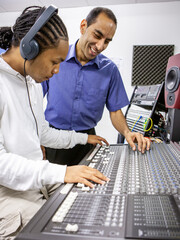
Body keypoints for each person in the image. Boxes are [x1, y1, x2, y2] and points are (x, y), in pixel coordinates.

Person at [0, 6, 110, 239]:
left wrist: (84, 137)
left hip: (34, 181)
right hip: (7, 192)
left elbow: (43, 133)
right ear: (30, 49)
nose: (58, 70)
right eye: (55, 61)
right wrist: (61, 173)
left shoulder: (31, 84)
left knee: (90, 201)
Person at [42, 7, 151, 166]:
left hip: (88, 142)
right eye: (97, 35)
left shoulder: (110, 70)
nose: (100, 46)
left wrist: (127, 132)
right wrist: (36, 137)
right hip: (54, 140)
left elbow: (115, 111)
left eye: (107, 41)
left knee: (86, 189)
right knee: (54, 189)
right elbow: (33, 100)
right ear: (83, 26)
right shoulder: (55, 59)